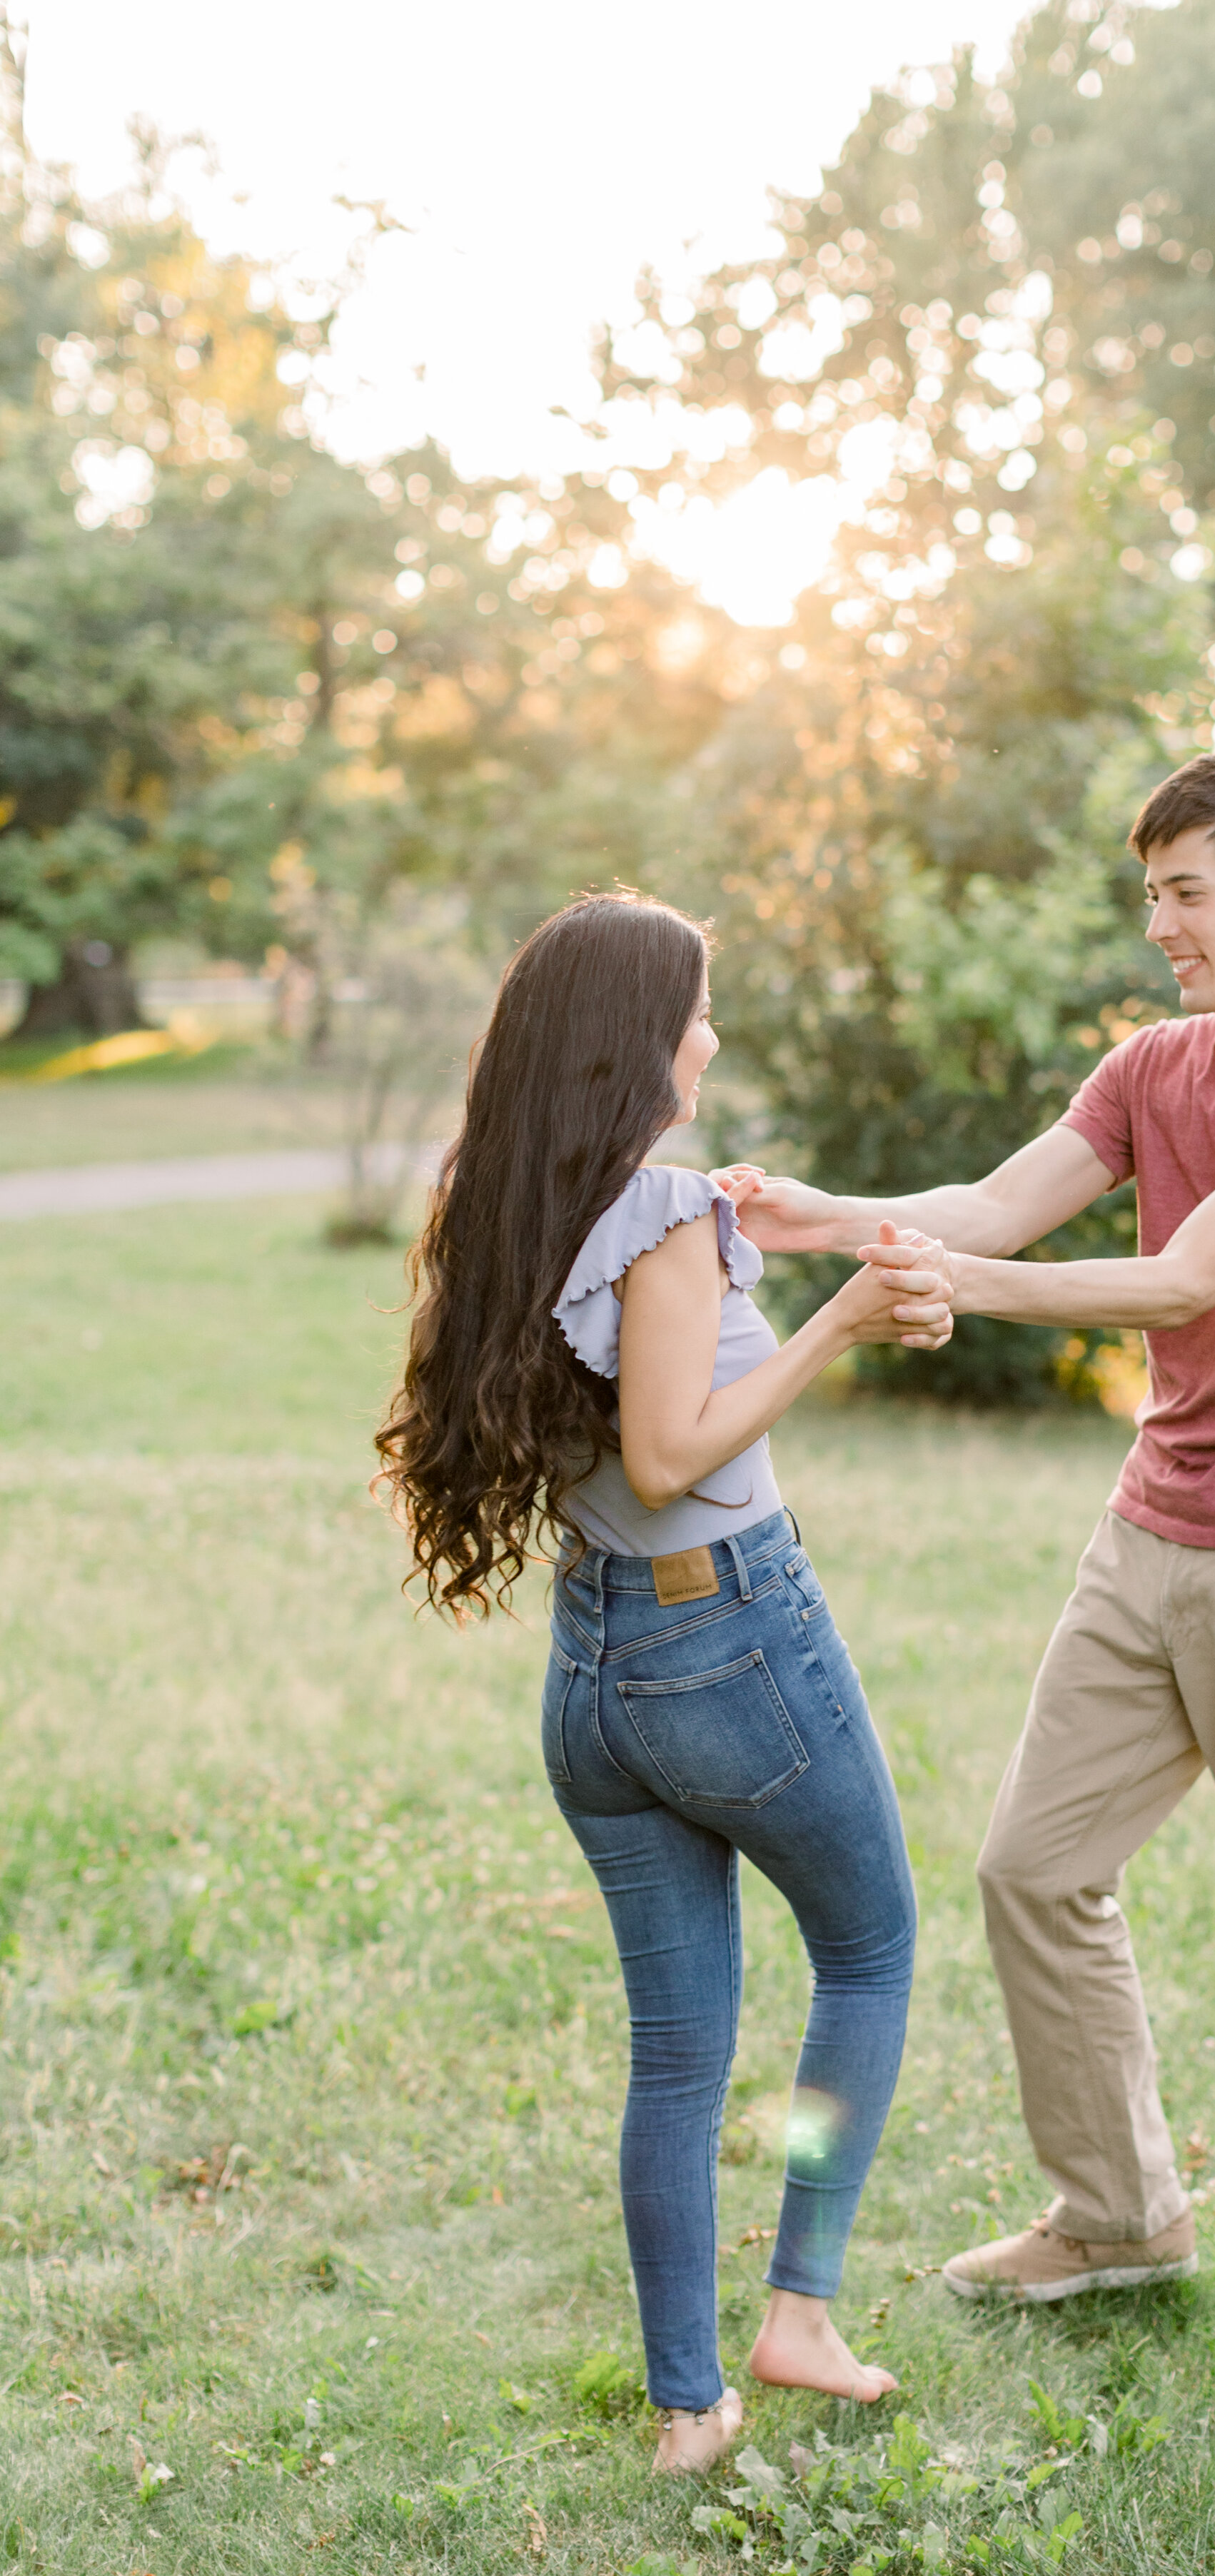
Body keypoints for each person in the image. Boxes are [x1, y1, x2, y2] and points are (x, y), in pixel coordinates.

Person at [731, 752, 1215, 2413]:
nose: (1158, 922)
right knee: (1030, 1867)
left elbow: (1193, 1278)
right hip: (1152, 1533)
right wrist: (820, 1214)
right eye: (1149, 892)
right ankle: (1118, 2215)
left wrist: (959, 1286)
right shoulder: (1152, 1066)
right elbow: (991, 1198)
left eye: (1186, 889)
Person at [375, 889, 953, 2475]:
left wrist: (786, 1225)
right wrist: (833, 1319)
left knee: (677, 2047)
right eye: (696, 1008)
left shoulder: (523, 1203)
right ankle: (802, 2312)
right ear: (640, 1037)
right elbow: (674, 1451)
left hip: (597, 1671)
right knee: (872, 1949)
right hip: (731, 1642)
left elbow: (619, 1430)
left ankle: (688, 2409)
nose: (711, 1034)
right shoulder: (669, 1212)